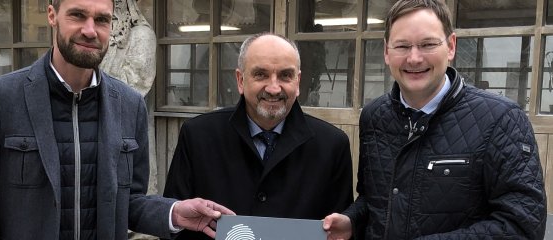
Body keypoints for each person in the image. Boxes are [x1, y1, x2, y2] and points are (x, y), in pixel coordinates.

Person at [0, 0, 233, 239]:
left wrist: (173, 212)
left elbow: (130, 203)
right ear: (52, 15)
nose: (90, 30)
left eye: (101, 19)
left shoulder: (129, 105)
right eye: (77, 15)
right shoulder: (0, 99)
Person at [322, 0, 547, 239]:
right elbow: (377, 199)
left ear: (451, 46)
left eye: (427, 44)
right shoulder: (374, 116)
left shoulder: (502, 120)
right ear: (387, 52)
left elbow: (523, 225)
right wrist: (353, 220)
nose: (414, 58)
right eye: (402, 46)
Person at [163, 32, 355, 240]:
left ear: (298, 82)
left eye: (285, 75)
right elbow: (175, 225)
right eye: (261, 74)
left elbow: (340, 231)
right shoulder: (198, 136)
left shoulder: (332, 146)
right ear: (240, 80)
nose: (273, 88)